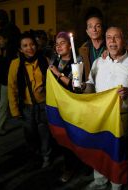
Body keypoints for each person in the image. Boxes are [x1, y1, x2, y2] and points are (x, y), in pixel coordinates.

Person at [82, 26, 128, 190]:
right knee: (99, 149)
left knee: (117, 152)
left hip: (120, 116)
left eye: (116, 37)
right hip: (100, 115)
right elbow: (90, 84)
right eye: (109, 37)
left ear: (123, 39)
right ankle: (100, 180)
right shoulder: (99, 62)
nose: (112, 41)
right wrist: (83, 87)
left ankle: (116, 184)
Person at [7, 32, 52, 168]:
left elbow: (52, 81)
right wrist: (14, 110)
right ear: (20, 49)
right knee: (30, 134)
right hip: (26, 106)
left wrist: (44, 86)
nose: (29, 48)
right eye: (25, 45)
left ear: (36, 45)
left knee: (45, 133)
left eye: (32, 44)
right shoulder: (15, 64)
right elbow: (12, 88)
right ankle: (34, 156)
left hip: (44, 104)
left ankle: (46, 156)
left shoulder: (44, 60)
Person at [49, 31, 84, 182]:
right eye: (56, 44)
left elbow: (74, 85)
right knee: (63, 138)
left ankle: (79, 165)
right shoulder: (54, 61)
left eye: (62, 43)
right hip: (59, 106)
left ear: (70, 46)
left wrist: (57, 73)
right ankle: (68, 166)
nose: (59, 46)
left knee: (75, 137)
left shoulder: (77, 62)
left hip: (73, 106)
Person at [78, 7, 105, 81]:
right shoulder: (83, 49)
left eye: (98, 26)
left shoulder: (110, 47)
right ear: (87, 31)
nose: (94, 29)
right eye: (90, 27)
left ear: (102, 29)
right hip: (90, 88)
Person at [0, 30, 10, 135]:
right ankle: (0, 127)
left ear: (6, 39)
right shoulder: (1, 51)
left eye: (0, 39)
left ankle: (0, 127)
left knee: (3, 105)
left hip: (7, 82)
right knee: (3, 105)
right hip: (4, 82)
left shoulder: (9, 51)